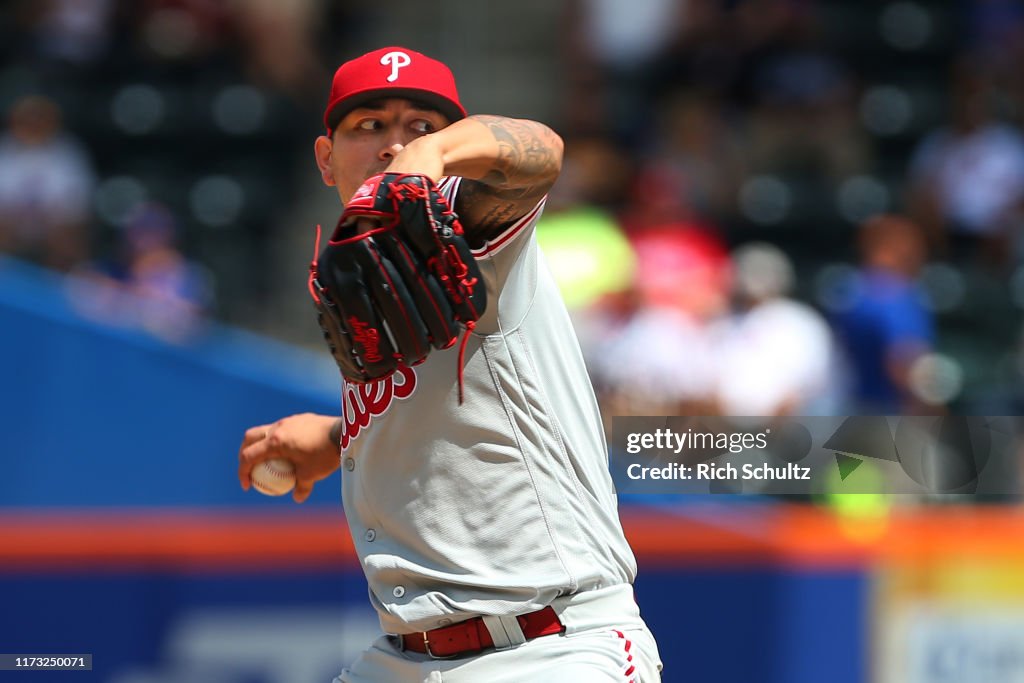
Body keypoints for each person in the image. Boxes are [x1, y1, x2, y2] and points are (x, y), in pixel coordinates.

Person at [237, 46, 662, 683]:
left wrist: (434, 159)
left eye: (420, 125)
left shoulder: (469, 230)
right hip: (401, 658)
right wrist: (335, 436)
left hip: (549, 646)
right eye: (369, 125)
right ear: (326, 159)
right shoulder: (358, 268)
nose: (394, 143)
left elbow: (539, 147)